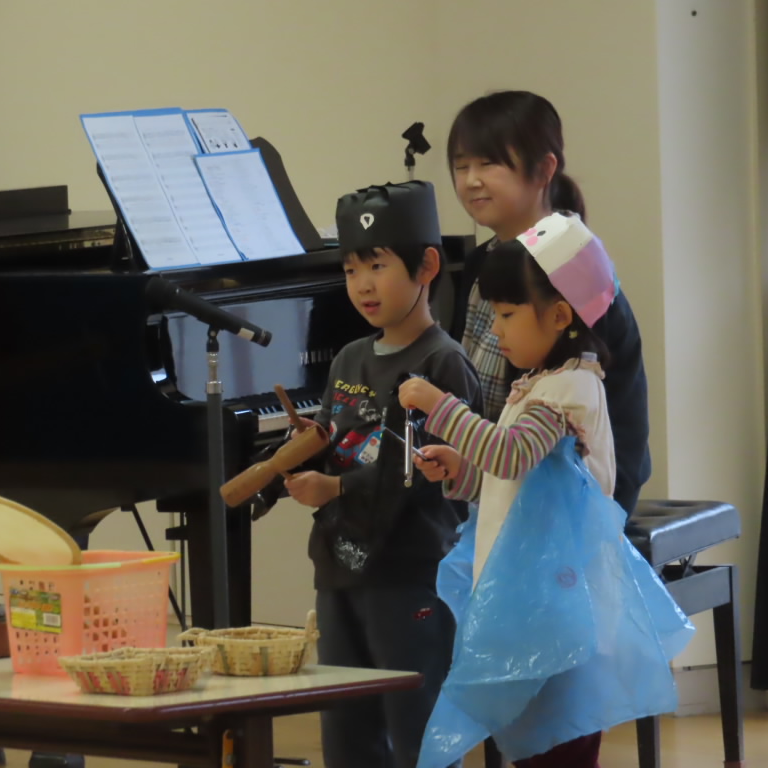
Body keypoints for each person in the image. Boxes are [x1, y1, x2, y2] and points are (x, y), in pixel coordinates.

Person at [399, 213, 692, 768]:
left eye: (507, 314)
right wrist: (462, 470)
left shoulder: (566, 390)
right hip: (538, 600)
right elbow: (515, 478)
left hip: (560, 608)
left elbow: (510, 453)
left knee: (558, 748)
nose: (496, 330)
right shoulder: (545, 383)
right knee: (539, 748)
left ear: (560, 316)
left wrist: (441, 407)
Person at [280, 180, 484, 768]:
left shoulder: (443, 362)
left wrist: (335, 487)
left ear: (427, 266)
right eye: (350, 270)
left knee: (416, 727)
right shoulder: (349, 357)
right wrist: (307, 453)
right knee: (347, 728)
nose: (362, 284)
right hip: (340, 567)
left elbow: (425, 474)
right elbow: (331, 439)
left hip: (410, 572)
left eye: (377, 265)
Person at [446, 89, 650, 517]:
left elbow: (616, 417)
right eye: (461, 166)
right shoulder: (482, 261)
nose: (471, 180)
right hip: (496, 484)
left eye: (489, 163)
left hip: (564, 508)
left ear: (544, 169)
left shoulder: (577, 269)